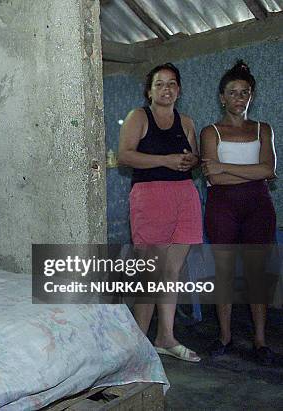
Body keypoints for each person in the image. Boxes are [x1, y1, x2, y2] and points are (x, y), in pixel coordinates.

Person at [118, 62, 202, 362]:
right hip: (150, 196)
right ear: (149, 90)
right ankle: (139, 342)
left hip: (185, 197)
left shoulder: (188, 122)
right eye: (159, 84)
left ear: (178, 90)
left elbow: (192, 159)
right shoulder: (139, 117)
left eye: (171, 84)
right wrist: (166, 160)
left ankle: (165, 337)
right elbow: (125, 155)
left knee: (171, 271)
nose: (166, 89)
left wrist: (190, 161)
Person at [201, 60, 277, 365]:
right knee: (225, 272)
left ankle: (260, 340)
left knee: (258, 273)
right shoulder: (211, 132)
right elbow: (214, 178)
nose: (239, 98)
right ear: (222, 97)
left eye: (245, 92)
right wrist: (250, 172)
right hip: (222, 205)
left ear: (251, 96)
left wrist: (225, 166)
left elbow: (269, 170)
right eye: (233, 92)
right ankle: (225, 336)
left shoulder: (263, 129)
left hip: (259, 205)